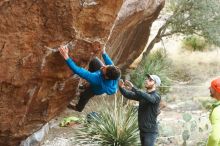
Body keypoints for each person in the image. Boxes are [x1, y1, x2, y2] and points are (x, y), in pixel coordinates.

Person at [58, 43, 121, 112]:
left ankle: (78, 108)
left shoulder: (96, 79)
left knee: (84, 95)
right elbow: (110, 64)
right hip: (103, 78)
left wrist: (66, 57)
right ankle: (87, 83)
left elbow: (77, 70)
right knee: (94, 60)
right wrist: (103, 52)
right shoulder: (116, 73)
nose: (103, 66)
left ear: (106, 76)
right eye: (106, 66)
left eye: (104, 69)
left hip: (98, 89)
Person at [118, 74, 161, 146]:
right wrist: (121, 87)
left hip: (150, 132)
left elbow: (150, 98)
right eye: (147, 79)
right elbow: (128, 94)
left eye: (150, 80)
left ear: (155, 84)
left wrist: (133, 88)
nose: (147, 81)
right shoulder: (143, 96)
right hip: (142, 131)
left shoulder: (156, 96)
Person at [206, 77, 220, 146]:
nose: (209, 89)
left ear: (217, 90)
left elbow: (215, 137)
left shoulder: (218, 110)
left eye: (212, 87)